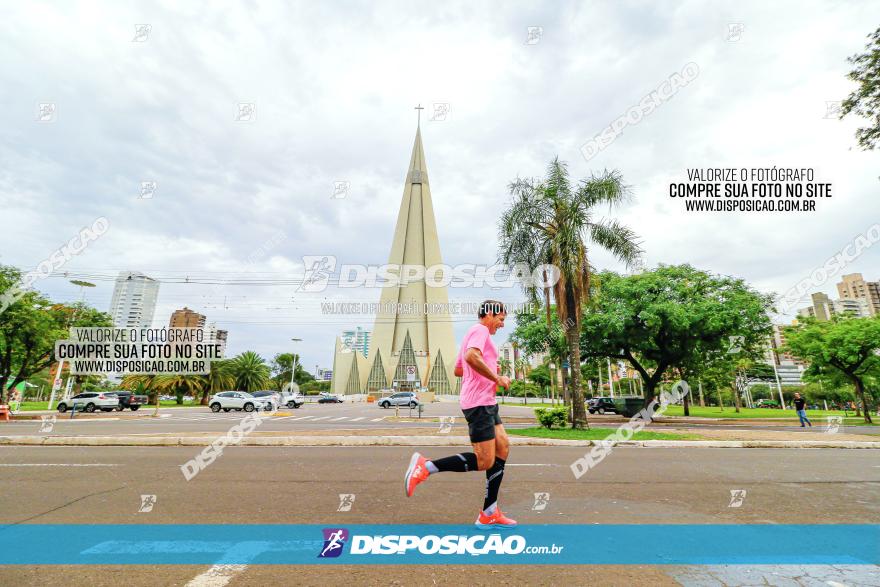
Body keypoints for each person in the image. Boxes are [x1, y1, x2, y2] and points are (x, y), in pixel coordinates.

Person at [403, 300, 515, 528]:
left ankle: (490, 512)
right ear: (490, 315)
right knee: (485, 460)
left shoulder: (474, 335)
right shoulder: (480, 330)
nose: (502, 324)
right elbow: (472, 357)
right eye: (501, 319)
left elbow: (458, 369)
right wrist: (496, 377)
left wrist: (489, 368)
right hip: (478, 403)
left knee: (503, 446)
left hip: (487, 401)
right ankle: (425, 467)